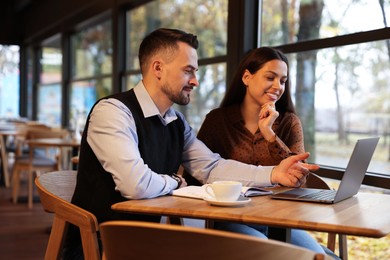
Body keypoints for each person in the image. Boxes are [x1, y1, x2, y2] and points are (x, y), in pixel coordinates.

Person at [63, 29, 319, 259]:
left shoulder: (176, 123)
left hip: (156, 241)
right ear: (158, 68)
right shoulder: (113, 111)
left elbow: (212, 167)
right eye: (188, 71)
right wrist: (174, 181)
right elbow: (135, 185)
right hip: (102, 246)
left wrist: (274, 173)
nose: (195, 81)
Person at [196, 47, 329, 255]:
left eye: (283, 81)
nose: (277, 86)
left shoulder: (289, 122)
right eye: (270, 77)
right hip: (230, 218)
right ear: (247, 77)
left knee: (318, 257)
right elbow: (196, 175)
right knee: (272, 254)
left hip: (280, 220)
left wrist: (269, 134)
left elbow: (299, 180)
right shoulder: (217, 121)